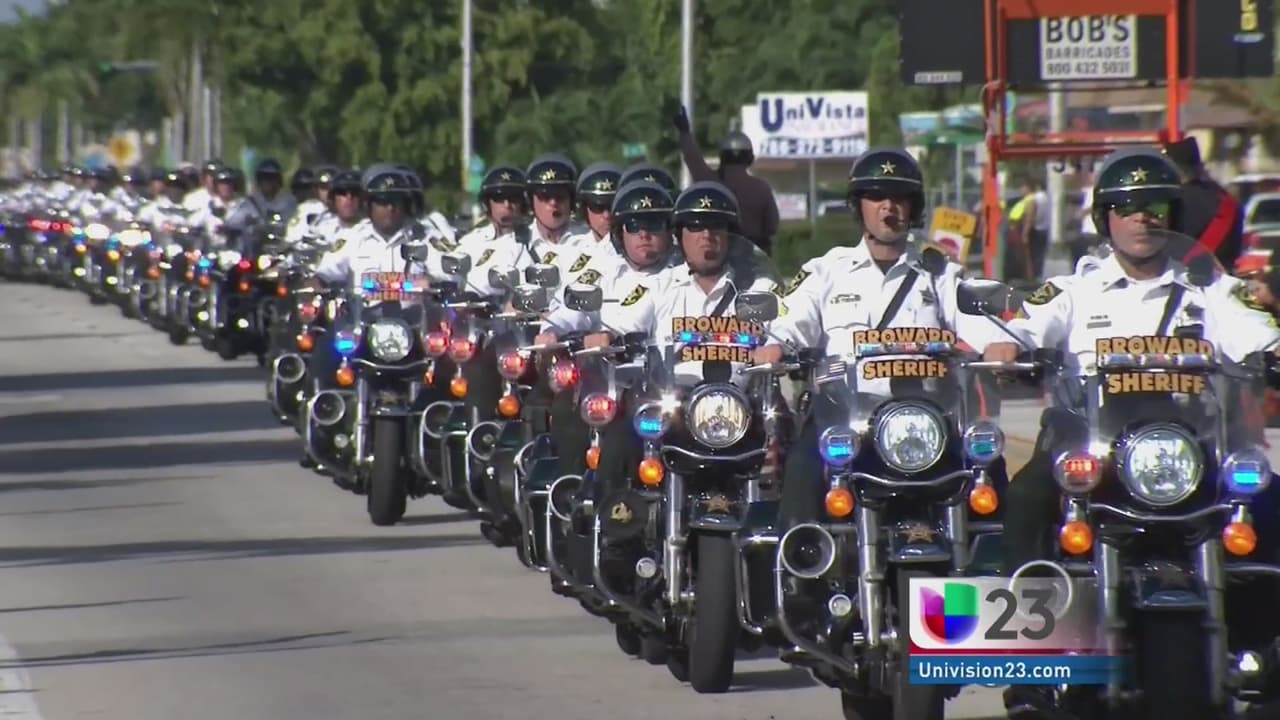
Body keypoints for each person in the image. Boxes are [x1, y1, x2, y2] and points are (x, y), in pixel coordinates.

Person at [983, 148, 1280, 715]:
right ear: (1105, 218)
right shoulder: (1076, 289)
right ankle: (1028, 669)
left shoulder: (1209, 289)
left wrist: (1273, 348)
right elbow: (1024, 328)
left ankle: (1265, 646)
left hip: (1190, 454)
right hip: (1091, 452)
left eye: (1157, 206)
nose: (1145, 217)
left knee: (1271, 501)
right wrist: (1007, 347)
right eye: (1130, 206)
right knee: (1024, 500)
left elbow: (1253, 331)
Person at [756, 147, 1006, 528]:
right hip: (845, 419)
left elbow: (973, 316)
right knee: (804, 468)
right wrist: (777, 343)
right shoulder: (827, 270)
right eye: (876, 196)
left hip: (927, 419)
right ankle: (803, 574)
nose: (889, 207)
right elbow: (793, 317)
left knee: (990, 464)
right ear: (859, 206)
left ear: (914, 205)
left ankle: (996, 575)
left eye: (899, 197)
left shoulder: (937, 272)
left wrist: (999, 343)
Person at [588, 181, 780, 497]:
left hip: (740, 407)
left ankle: (786, 531)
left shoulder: (758, 289)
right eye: (695, 226)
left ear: (730, 235)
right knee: (621, 440)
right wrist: (606, 336)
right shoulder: (658, 286)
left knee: (799, 443)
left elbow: (789, 325)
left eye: (716, 225)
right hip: (673, 407)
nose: (706, 235)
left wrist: (780, 346)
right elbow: (626, 322)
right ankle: (614, 533)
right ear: (679, 236)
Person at [672, 105, 780, 256]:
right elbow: (772, 227)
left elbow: (693, 160)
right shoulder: (761, 188)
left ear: (722, 156)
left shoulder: (711, 184)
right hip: (756, 257)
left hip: (721, 254)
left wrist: (685, 134)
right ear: (750, 158)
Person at [1165, 136, 1245, 269]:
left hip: (1179, 280)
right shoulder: (1227, 201)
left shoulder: (1171, 201)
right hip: (1222, 280)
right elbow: (1235, 249)